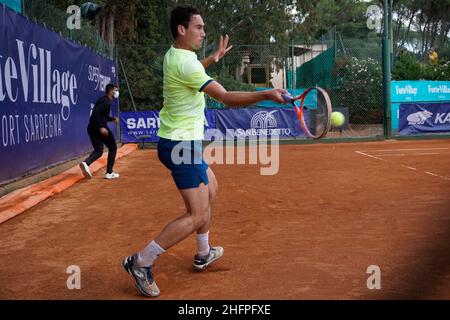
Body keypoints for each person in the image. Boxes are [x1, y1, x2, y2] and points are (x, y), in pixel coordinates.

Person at [123, 5, 287, 297]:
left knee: (211, 187)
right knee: (196, 215)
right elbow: (224, 97)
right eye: (198, 27)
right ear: (181, 30)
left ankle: (203, 253)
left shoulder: (177, 56)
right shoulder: (187, 64)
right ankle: (141, 261)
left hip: (181, 143)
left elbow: (195, 70)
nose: (203, 32)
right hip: (180, 146)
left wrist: (213, 58)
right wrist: (266, 94)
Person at [79, 83, 120, 180]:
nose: (117, 92)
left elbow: (102, 115)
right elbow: (95, 113)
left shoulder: (106, 100)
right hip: (98, 128)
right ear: (110, 91)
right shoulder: (106, 101)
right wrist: (101, 127)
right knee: (113, 147)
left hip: (91, 128)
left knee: (98, 150)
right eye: (116, 90)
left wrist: (112, 119)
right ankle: (109, 173)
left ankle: (86, 163)